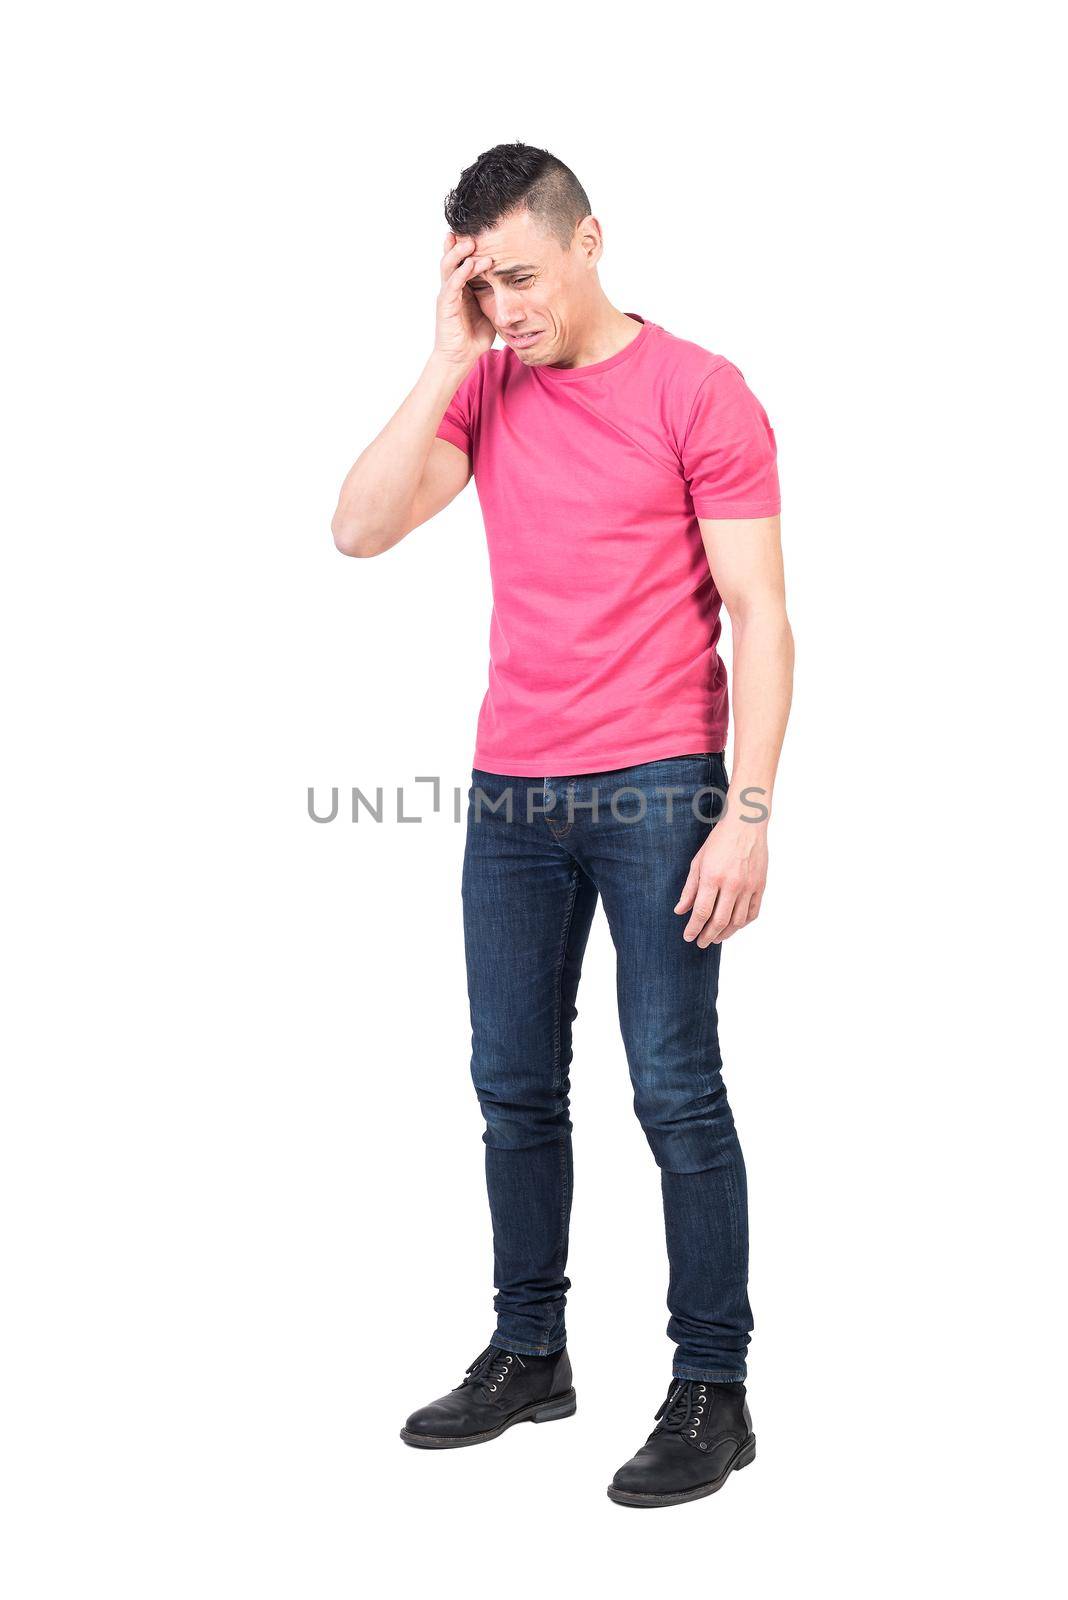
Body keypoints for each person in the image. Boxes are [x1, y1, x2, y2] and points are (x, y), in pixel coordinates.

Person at [331, 142, 794, 1508]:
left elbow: (762, 616)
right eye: (485, 285)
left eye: (522, 277)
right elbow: (357, 531)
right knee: (513, 1087)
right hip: (512, 795)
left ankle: (714, 1387)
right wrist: (443, 355)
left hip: (661, 785)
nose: (510, 307)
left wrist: (747, 814)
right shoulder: (486, 379)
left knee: (673, 1086)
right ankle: (531, 1351)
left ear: (591, 241)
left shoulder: (701, 391)